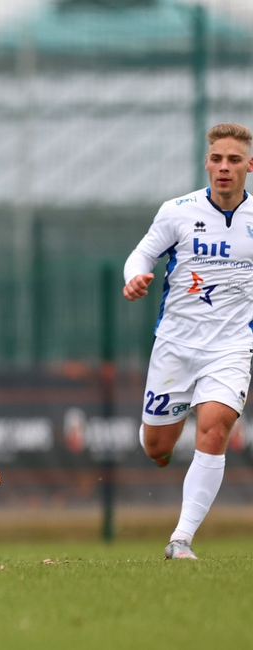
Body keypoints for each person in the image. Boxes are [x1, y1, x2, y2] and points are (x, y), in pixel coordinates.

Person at [123, 122, 253, 560]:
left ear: (249, 166)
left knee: (215, 430)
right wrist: (134, 277)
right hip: (175, 347)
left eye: (234, 160)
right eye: (217, 158)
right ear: (206, 163)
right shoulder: (177, 211)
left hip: (232, 347)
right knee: (157, 448)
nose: (224, 167)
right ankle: (154, 434)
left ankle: (181, 540)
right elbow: (142, 253)